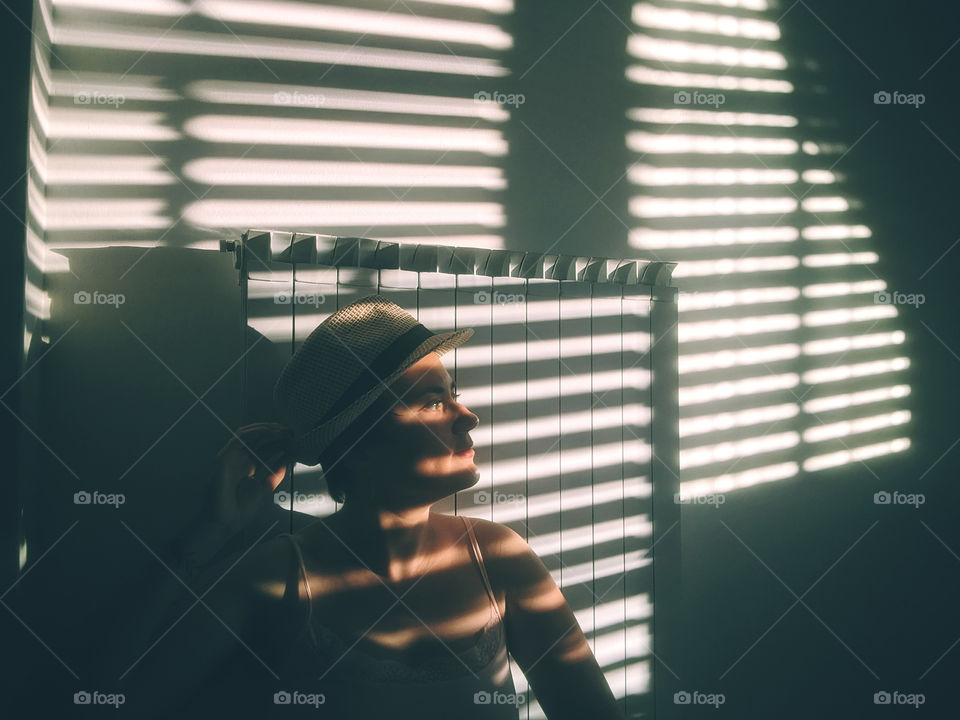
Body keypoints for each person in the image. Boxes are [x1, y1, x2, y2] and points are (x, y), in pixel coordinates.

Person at [119, 295, 627, 720]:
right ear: (358, 443)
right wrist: (212, 531)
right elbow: (119, 696)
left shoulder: (497, 557)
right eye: (432, 402)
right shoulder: (280, 577)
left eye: (454, 395)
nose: (468, 417)